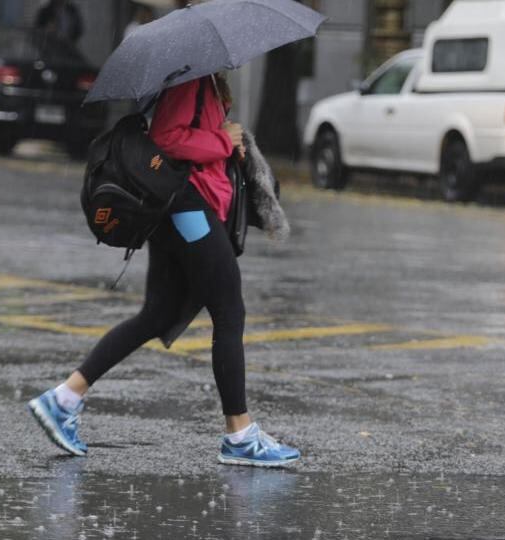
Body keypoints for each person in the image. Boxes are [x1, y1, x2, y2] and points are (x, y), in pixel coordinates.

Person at [28, 70, 301, 467]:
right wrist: (223, 140)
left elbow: (195, 140)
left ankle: (64, 398)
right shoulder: (188, 80)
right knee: (229, 311)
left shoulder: (204, 80)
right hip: (187, 207)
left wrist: (227, 143)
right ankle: (240, 434)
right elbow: (168, 139)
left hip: (187, 206)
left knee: (157, 314)